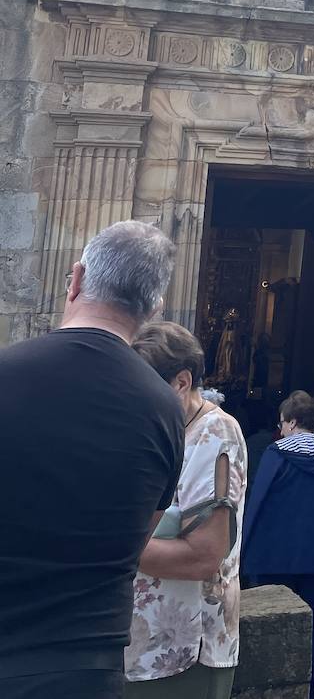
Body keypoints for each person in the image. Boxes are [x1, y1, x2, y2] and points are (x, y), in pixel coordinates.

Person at [0, 220, 184, 699]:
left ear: (76, 278)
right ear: (153, 308)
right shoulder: (163, 408)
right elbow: (141, 533)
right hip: (86, 665)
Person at [126, 322, 248, 697]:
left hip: (185, 648)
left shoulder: (216, 434)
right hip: (135, 643)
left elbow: (203, 557)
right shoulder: (155, 427)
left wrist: (105, 544)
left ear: (181, 382)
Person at [242, 390, 314, 699]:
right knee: (313, 623)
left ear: (290, 421)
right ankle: (309, 687)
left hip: (276, 555)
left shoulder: (276, 453)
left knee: (273, 625)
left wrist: (245, 549)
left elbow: (258, 500)